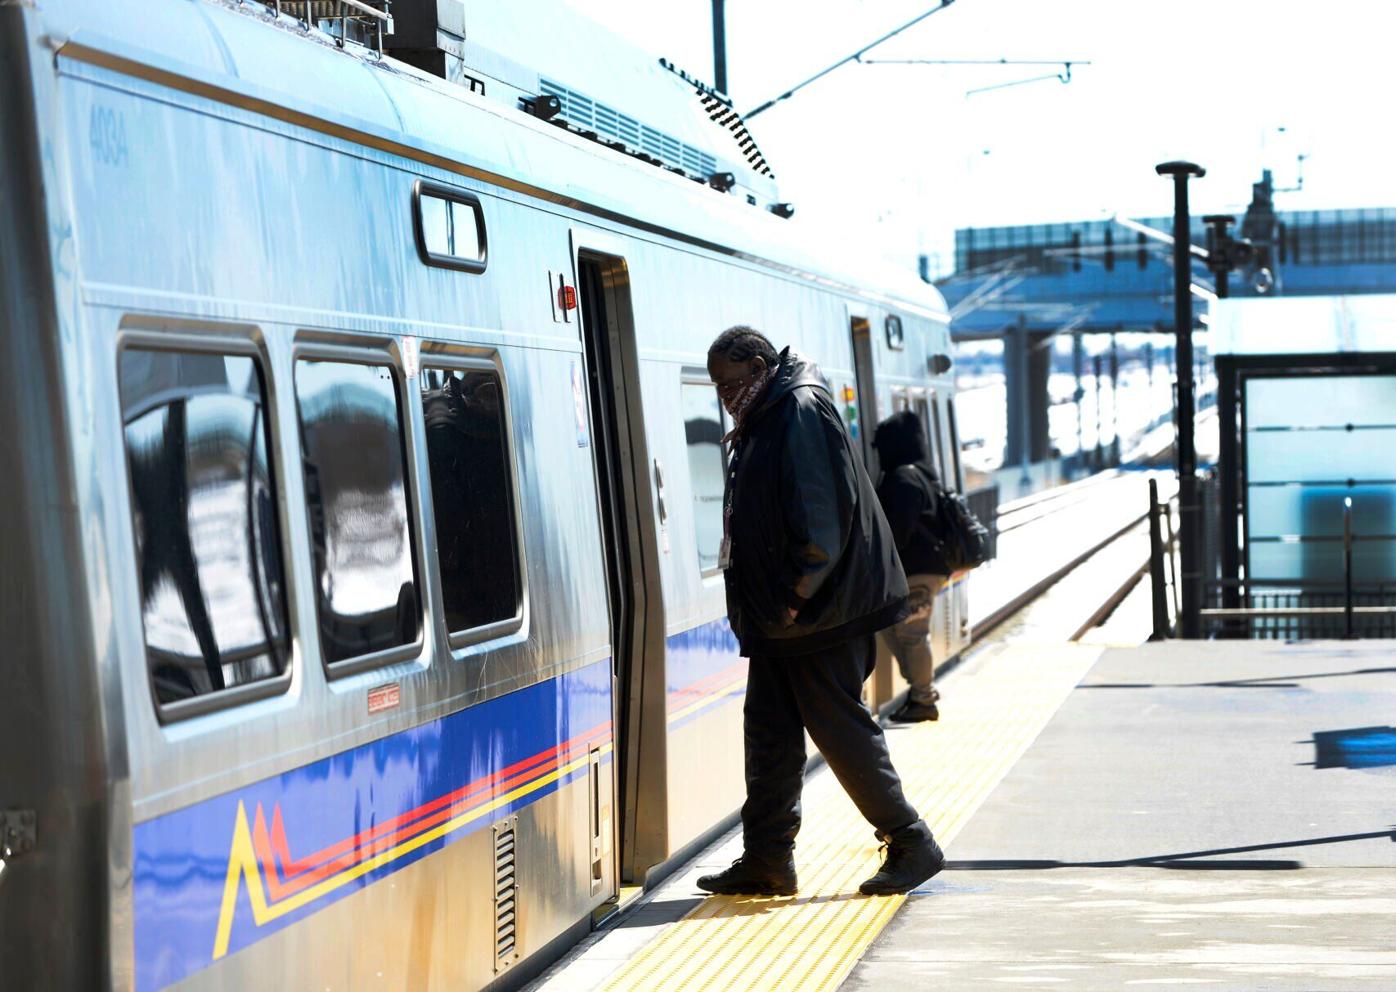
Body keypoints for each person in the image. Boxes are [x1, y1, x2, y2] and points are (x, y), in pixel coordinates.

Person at [696, 326, 945, 898]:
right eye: (717, 387)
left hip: (816, 612)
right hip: (782, 617)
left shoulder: (799, 410)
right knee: (770, 735)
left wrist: (795, 595)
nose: (724, 396)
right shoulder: (766, 413)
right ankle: (766, 858)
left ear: (758, 364)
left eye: (729, 382)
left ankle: (911, 840)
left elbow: (822, 517)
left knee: (839, 728)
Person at [871, 410, 952, 723]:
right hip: (925, 567)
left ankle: (923, 699)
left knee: (912, 634)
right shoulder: (921, 472)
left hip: (915, 570)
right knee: (900, 631)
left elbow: (898, 530)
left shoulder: (903, 477)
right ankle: (920, 692)